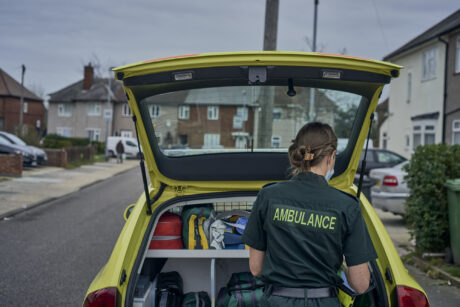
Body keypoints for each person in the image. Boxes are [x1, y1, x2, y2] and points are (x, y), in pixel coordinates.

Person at [241, 122, 377, 307]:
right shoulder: (346, 205)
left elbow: (255, 268)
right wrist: (342, 263)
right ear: (331, 156)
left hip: (276, 301)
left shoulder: (268, 195)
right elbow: (360, 285)